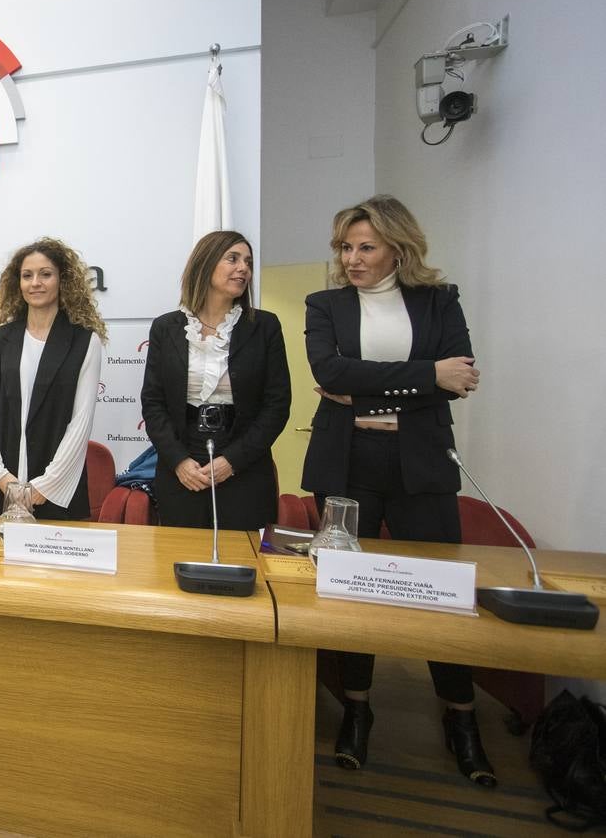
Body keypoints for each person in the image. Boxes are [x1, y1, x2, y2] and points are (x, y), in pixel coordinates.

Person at [302, 195, 492, 787]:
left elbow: (460, 379)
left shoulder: (440, 301)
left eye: (366, 247)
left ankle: (461, 716)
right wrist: (425, 376)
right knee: (349, 588)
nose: (351, 259)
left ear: (398, 248)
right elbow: (329, 373)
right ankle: (357, 707)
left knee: (443, 589)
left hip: (421, 464)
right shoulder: (326, 303)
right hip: (348, 461)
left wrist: (372, 390)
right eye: (345, 247)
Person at [140, 231, 290, 530]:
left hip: (244, 465)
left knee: (244, 563)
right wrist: (179, 461)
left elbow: (277, 405)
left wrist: (231, 462)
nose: (243, 268)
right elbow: (153, 403)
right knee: (179, 560)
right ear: (205, 265)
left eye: (248, 261)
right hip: (181, 467)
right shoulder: (166, 327)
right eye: (232, 259)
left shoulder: (264, 326)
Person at [0, 238, 105, 520]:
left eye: (45, 274)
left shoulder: (84, 342)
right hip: (1, 488)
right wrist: (2, 478)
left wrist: (43, 487)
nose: (35, 283)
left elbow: (80, 422)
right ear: (17, 283)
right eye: (27, 275)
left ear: (63, 280)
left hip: (56, 493)